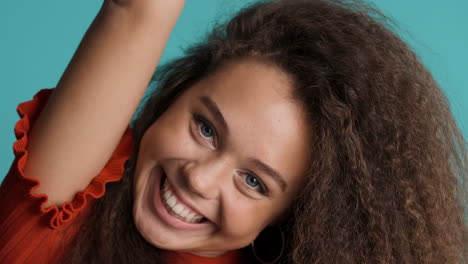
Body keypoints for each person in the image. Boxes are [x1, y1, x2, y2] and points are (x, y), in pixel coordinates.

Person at [1, 0, 467, 263]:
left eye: (254, 182)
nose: (199, 179)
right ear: (174, 95)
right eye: (205, 128)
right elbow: (136, 11)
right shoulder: (67, 211)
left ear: (290, 217)